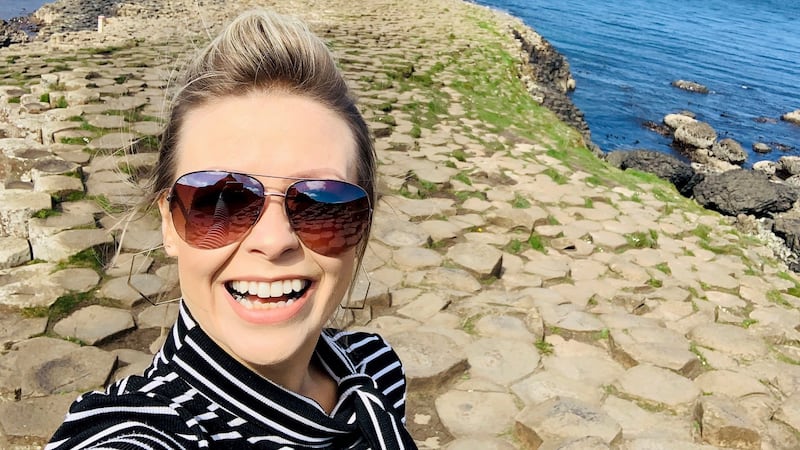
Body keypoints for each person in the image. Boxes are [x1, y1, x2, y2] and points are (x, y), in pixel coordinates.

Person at [46, 8, 417, 450]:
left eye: (323, 203)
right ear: (169, 222)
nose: (274, 240)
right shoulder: (144, 432)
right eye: (221, 201)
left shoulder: (377, 370)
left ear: (364, 224)